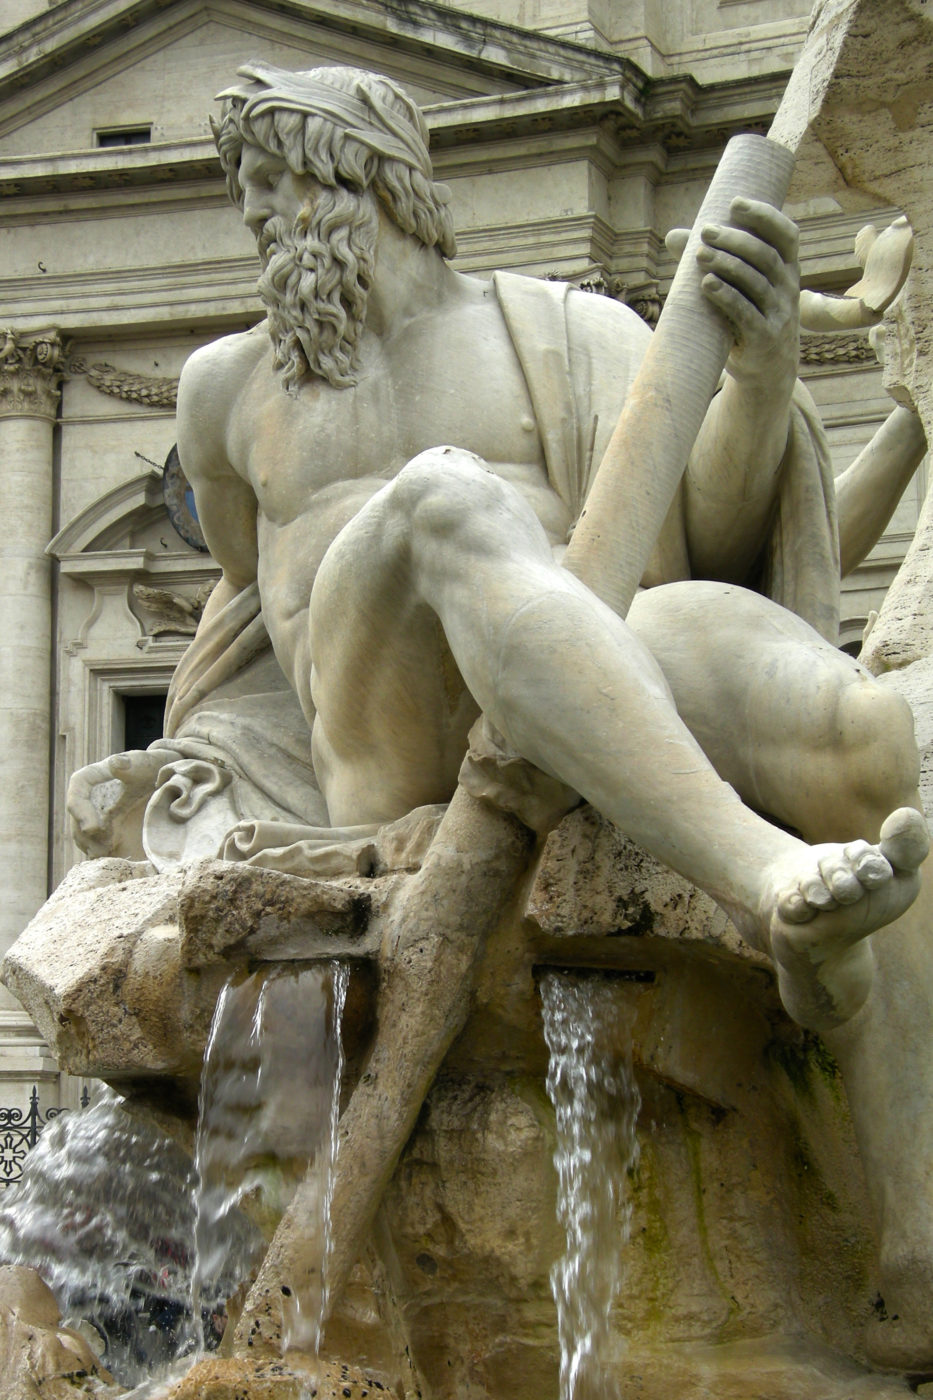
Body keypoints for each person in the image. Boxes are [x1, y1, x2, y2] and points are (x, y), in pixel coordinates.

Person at [68, 62, 932, 1365]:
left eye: (289, 185)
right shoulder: (223, 388)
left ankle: (905, 1227)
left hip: (599, 676)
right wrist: (187, 775)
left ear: (384, 184)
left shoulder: (562, 329)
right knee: (443, 501)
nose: (264, 222)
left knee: (880, 731)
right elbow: (244, 624)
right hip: (392, 736)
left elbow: (713, 536)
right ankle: (766, 877)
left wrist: (755, 378)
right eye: (253, 195)